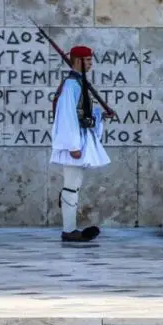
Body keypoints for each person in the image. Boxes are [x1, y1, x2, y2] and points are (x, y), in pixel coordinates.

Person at [50, 45, 110, 244]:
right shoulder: (72, 86)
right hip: (74, 142)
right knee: (71, 186)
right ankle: (69, 231)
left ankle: (70, 229)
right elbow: (67, 117)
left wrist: (100, 116)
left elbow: (81, 112)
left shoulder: (78, 83)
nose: (91, 64)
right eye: (88, 61)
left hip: (79, 138)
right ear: (77, 61)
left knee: (73, 185)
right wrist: (73, 146)